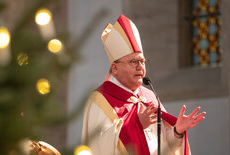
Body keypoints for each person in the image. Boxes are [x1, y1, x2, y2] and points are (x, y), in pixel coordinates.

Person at [81, 14, 206, 155]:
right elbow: (99, 146)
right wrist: (135, 125)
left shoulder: (149, 96)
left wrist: (177, 131)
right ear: (115, 68)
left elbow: (165, 145)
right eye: (133, 62)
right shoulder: (100, 100)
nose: (140, 67)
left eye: (142, 61)